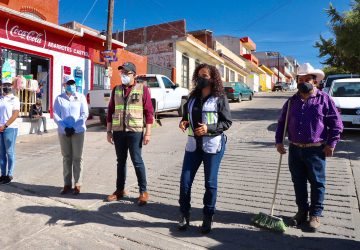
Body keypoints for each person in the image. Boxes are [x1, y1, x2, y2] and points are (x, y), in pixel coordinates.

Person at [275, 63, 343, 232]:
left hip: (316, 149)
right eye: (301, 79)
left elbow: (336, 124)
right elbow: (282, 122)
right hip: (295, 149)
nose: (303, 82)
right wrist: (279, 141)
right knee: (298, 182)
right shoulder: (291, 101)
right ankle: (302, 212)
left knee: (317, 183)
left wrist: (331, 143)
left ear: (315, 82)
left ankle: (315, 214)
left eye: (307, 79)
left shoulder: (325, 99)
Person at [177, 63, 232, 234]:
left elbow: (227, 122)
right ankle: (184, 214)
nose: (202, 78)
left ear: (213, 77)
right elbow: (186, 116)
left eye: (205, 75)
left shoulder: (220, 97)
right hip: (193, 146)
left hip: (212, 145)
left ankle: (208, 216)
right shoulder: (192, 97)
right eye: (199, 75)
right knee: (185, 182)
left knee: (210, 183)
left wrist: (209, 128)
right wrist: (184, 121)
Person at [106, 62, 153, 205]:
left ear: (134, 75)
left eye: (126, 73)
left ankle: (143, 191)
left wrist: (148, 133)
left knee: (137, 161)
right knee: (121, 162)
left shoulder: (142, 89)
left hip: (135, 132)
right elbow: (110, 111)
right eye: (122, 73)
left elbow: (149, 112)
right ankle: (120, 190)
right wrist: (109, 131)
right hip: (119, 131)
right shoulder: (116, 90)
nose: (123, 75)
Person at [53, 76, 89, 195]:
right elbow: (56, 115)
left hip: (78, 131)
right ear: (64, 85)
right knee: (66, 157)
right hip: (64, 132)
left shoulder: (80, 97)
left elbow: (84, 114)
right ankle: (67, 184)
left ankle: (77, 184)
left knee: (77, 158)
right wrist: (65, 128)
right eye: (68, 83)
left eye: (73, 83)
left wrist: (74, 127)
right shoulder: (59, 99)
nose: (71, 85)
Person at [0, 82, 20, 184]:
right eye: (4, 85)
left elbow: (15, 114)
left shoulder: (14, 99)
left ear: (11, 87)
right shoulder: (0, 98)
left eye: (8, 85)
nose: (6, 87)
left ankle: (9, 174)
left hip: (10, 128)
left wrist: (5, 125)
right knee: (1, 153)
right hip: (0, 128)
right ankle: (3, 174)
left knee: (9, 152)